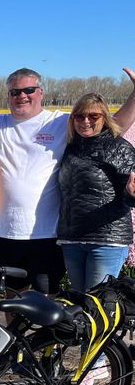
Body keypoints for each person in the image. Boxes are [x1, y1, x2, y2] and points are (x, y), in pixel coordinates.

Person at [0, 66, 135, 294]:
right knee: (13, 295)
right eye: (15, 92)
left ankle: (47, 332)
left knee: (49, 296)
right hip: (5, 231)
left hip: (49, 233)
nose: (21, 96)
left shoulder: (61, 122)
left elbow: (112, 127)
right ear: (8, 96)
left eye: (28, 90)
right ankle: (15, 331)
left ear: (40, 92)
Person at [57, 93, 135, 292]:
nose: (85, 121)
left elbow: (130, 196)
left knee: (98, 306)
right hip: (72, 238)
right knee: (80, 304)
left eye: (93, 116)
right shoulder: (70, 148)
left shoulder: (118, 147)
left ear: (105, 118)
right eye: (79, 116)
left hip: (106, 240)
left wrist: (131, 194)